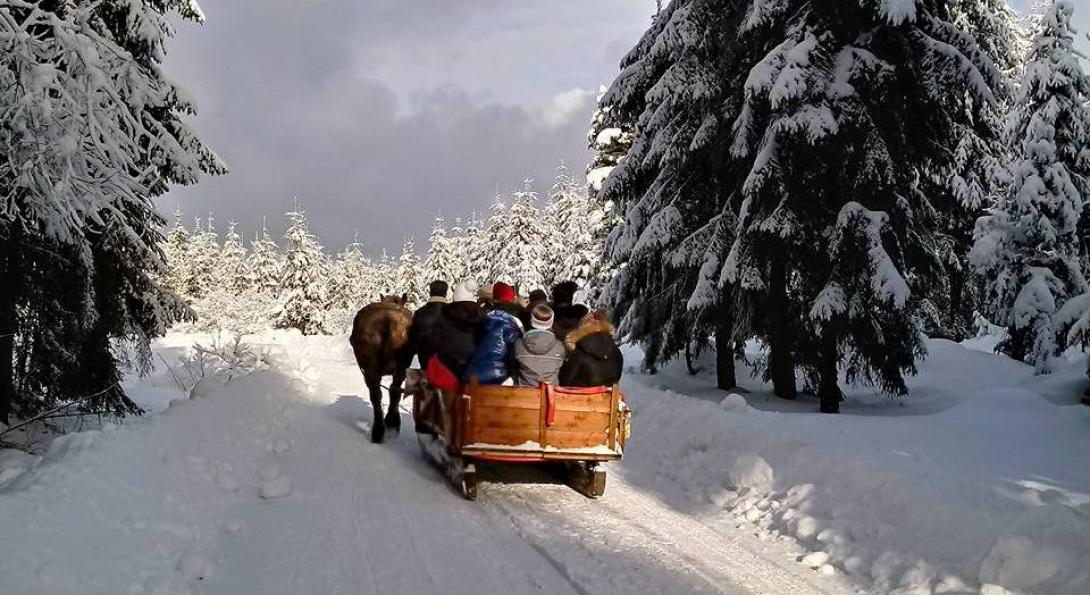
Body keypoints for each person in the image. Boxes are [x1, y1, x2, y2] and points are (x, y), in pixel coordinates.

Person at [463, 282, 524, 384]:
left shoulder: (482, 317)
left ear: (494, 298)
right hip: (503, 377)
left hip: (474, 375)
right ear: (512, 299)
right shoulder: (516, 321)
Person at [431, 280, 482, 387]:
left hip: (446, 368)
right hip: (475, 370)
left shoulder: (443, 314)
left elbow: (434, 342)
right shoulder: (484, 316)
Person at [559, 310, 623, 387]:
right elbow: (616, 378)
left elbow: (565, 381)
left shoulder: (580, 350)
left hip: (580, 396)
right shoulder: (616, 351)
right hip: (607, 396)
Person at [513, 304, 565, 386]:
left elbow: (512, 368)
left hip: (524, 394)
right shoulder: (560, 347)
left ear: (531, 321)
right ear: (551, 323)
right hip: (551, 394)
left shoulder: (518, 344)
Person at [409, 280, 448, 369]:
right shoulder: (453, 312)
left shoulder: (420, 313)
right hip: (448, 361)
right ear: (445, 293)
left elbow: (412, 338)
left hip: (425, 360)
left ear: (430, 292)